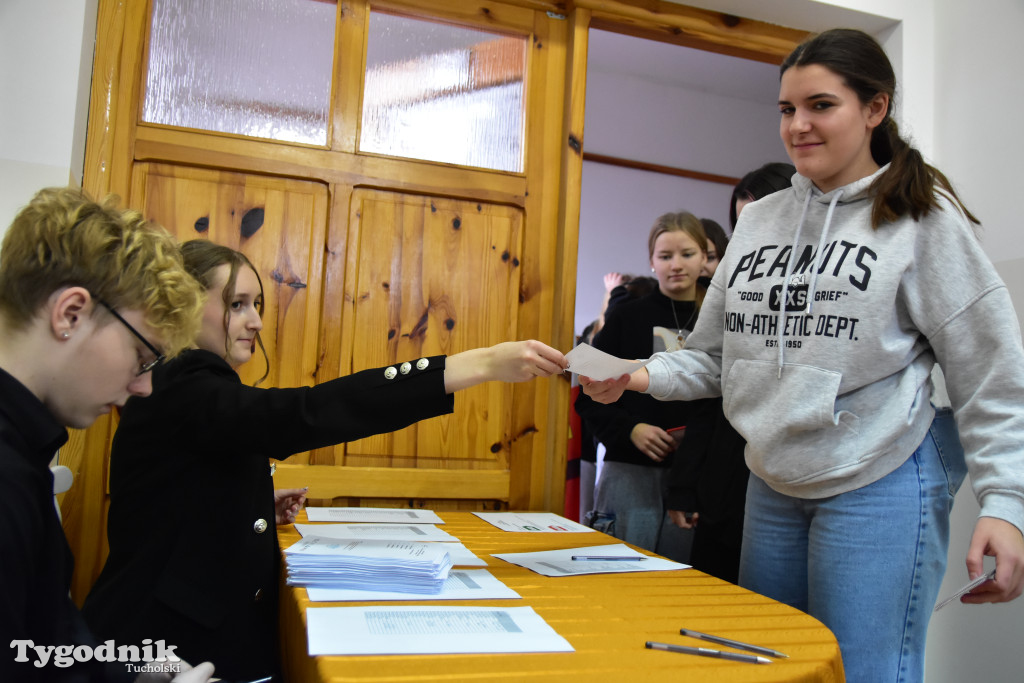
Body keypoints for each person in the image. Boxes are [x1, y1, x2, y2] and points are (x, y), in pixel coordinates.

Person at [580, 28, 1024, 682]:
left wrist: (1004, 503)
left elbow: (990, 374)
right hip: (773, 485)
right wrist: (634, 373)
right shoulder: (760, 223)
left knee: (862, 672)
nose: (798, 125)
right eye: (787, 110)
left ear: (875, 108)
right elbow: (714, 359)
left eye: (820, 105)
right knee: (775, 670)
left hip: (878, 479)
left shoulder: (920, 218)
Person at [83, 239, 568, 682]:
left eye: (257, 305)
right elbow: (302, 415)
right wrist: (475, 365)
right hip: (163, 647)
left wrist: (245, 502)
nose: (255, 321)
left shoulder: (187, 384)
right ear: (183, 308)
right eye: (236, 305)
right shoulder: (183, 380)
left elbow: (180, 485)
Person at [0, 187, 213, 682]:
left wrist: (138, 667)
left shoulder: (24, 450)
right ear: (70, 313)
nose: (142, 386)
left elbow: (37, 648)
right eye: (142, 358)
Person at [667, 167, 794, 584]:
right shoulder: (735, 283)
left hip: (791, 472)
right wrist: (686, 485)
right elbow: (707, 382)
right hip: (727, 467)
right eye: (742, 222)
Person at [574, 212, 710, 562]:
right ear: (651, 261)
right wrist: (630, 429)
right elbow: (587, 396)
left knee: (685, 583)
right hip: (629, 472)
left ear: (705, 258)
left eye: (687, 254)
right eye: (665, 256)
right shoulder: (626, 316)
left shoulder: (720, 320)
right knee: (619, 573)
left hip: (698, 476)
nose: (676, 265)